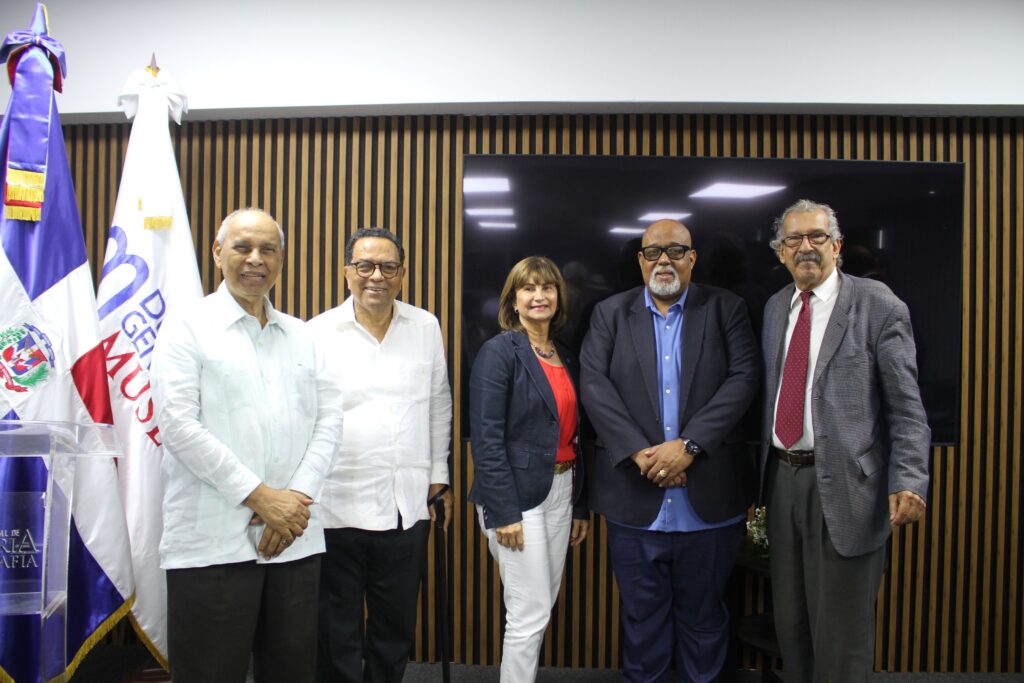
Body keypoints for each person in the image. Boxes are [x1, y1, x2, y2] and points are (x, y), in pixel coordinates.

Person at [150, 208, 343, 683]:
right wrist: (261, 498)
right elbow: (179, 426)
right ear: (218, 253)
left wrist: (293, 500)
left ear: (281, 259)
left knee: (292, 673)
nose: (256, 259)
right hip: (212, 543)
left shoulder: (303, 335)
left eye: (268, 249)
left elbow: (330, 420)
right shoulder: (186, 327)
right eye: (243, 247)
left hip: (293, 540)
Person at [580, 219, 759, 682]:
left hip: (710, 500)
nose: (664, 260)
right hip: (633, 498)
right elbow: (594, 386)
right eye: (653, 252)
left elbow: (744, 380)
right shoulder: (609, 313)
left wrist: (689, 447)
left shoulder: (726, 308)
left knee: (705, 618)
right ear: (640, 261)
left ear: (692, 258)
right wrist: (642, 454)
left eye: (676, 251)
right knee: (642, 620)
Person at [760, 199, 929, 682]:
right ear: (780, 252)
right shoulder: (776, 307)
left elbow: (906, 407)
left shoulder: (878, 305)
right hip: (783, 480)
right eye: (794, 239)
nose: (806, 247)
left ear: (836, 246)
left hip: (850, 489)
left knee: (841, 636)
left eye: (817, 236)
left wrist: (909, 478)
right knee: (791, 625)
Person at [310, 227, 453, 683]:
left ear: (402, 274)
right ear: (346, 272)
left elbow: (438, 404)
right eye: (365, 266)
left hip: (405, 504)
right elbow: (304, 416)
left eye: (388, 267)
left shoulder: (425, 327)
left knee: (394, 628)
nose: (377, 276)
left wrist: (439, 476)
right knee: (336, 629)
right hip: (336, 504)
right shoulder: (316, 333)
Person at [468, 256, 590, 682]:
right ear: (513, 300)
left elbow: (577, 437)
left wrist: (578, 506)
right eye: (528, 288)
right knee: (529, 609)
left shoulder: (566, 356)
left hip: (561, 490)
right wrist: (503, 511)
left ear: (558, 297)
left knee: (541, 604)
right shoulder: (499, 352)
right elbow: (486, 438)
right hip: (516, 498)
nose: (539, 296)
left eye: (547, 287)